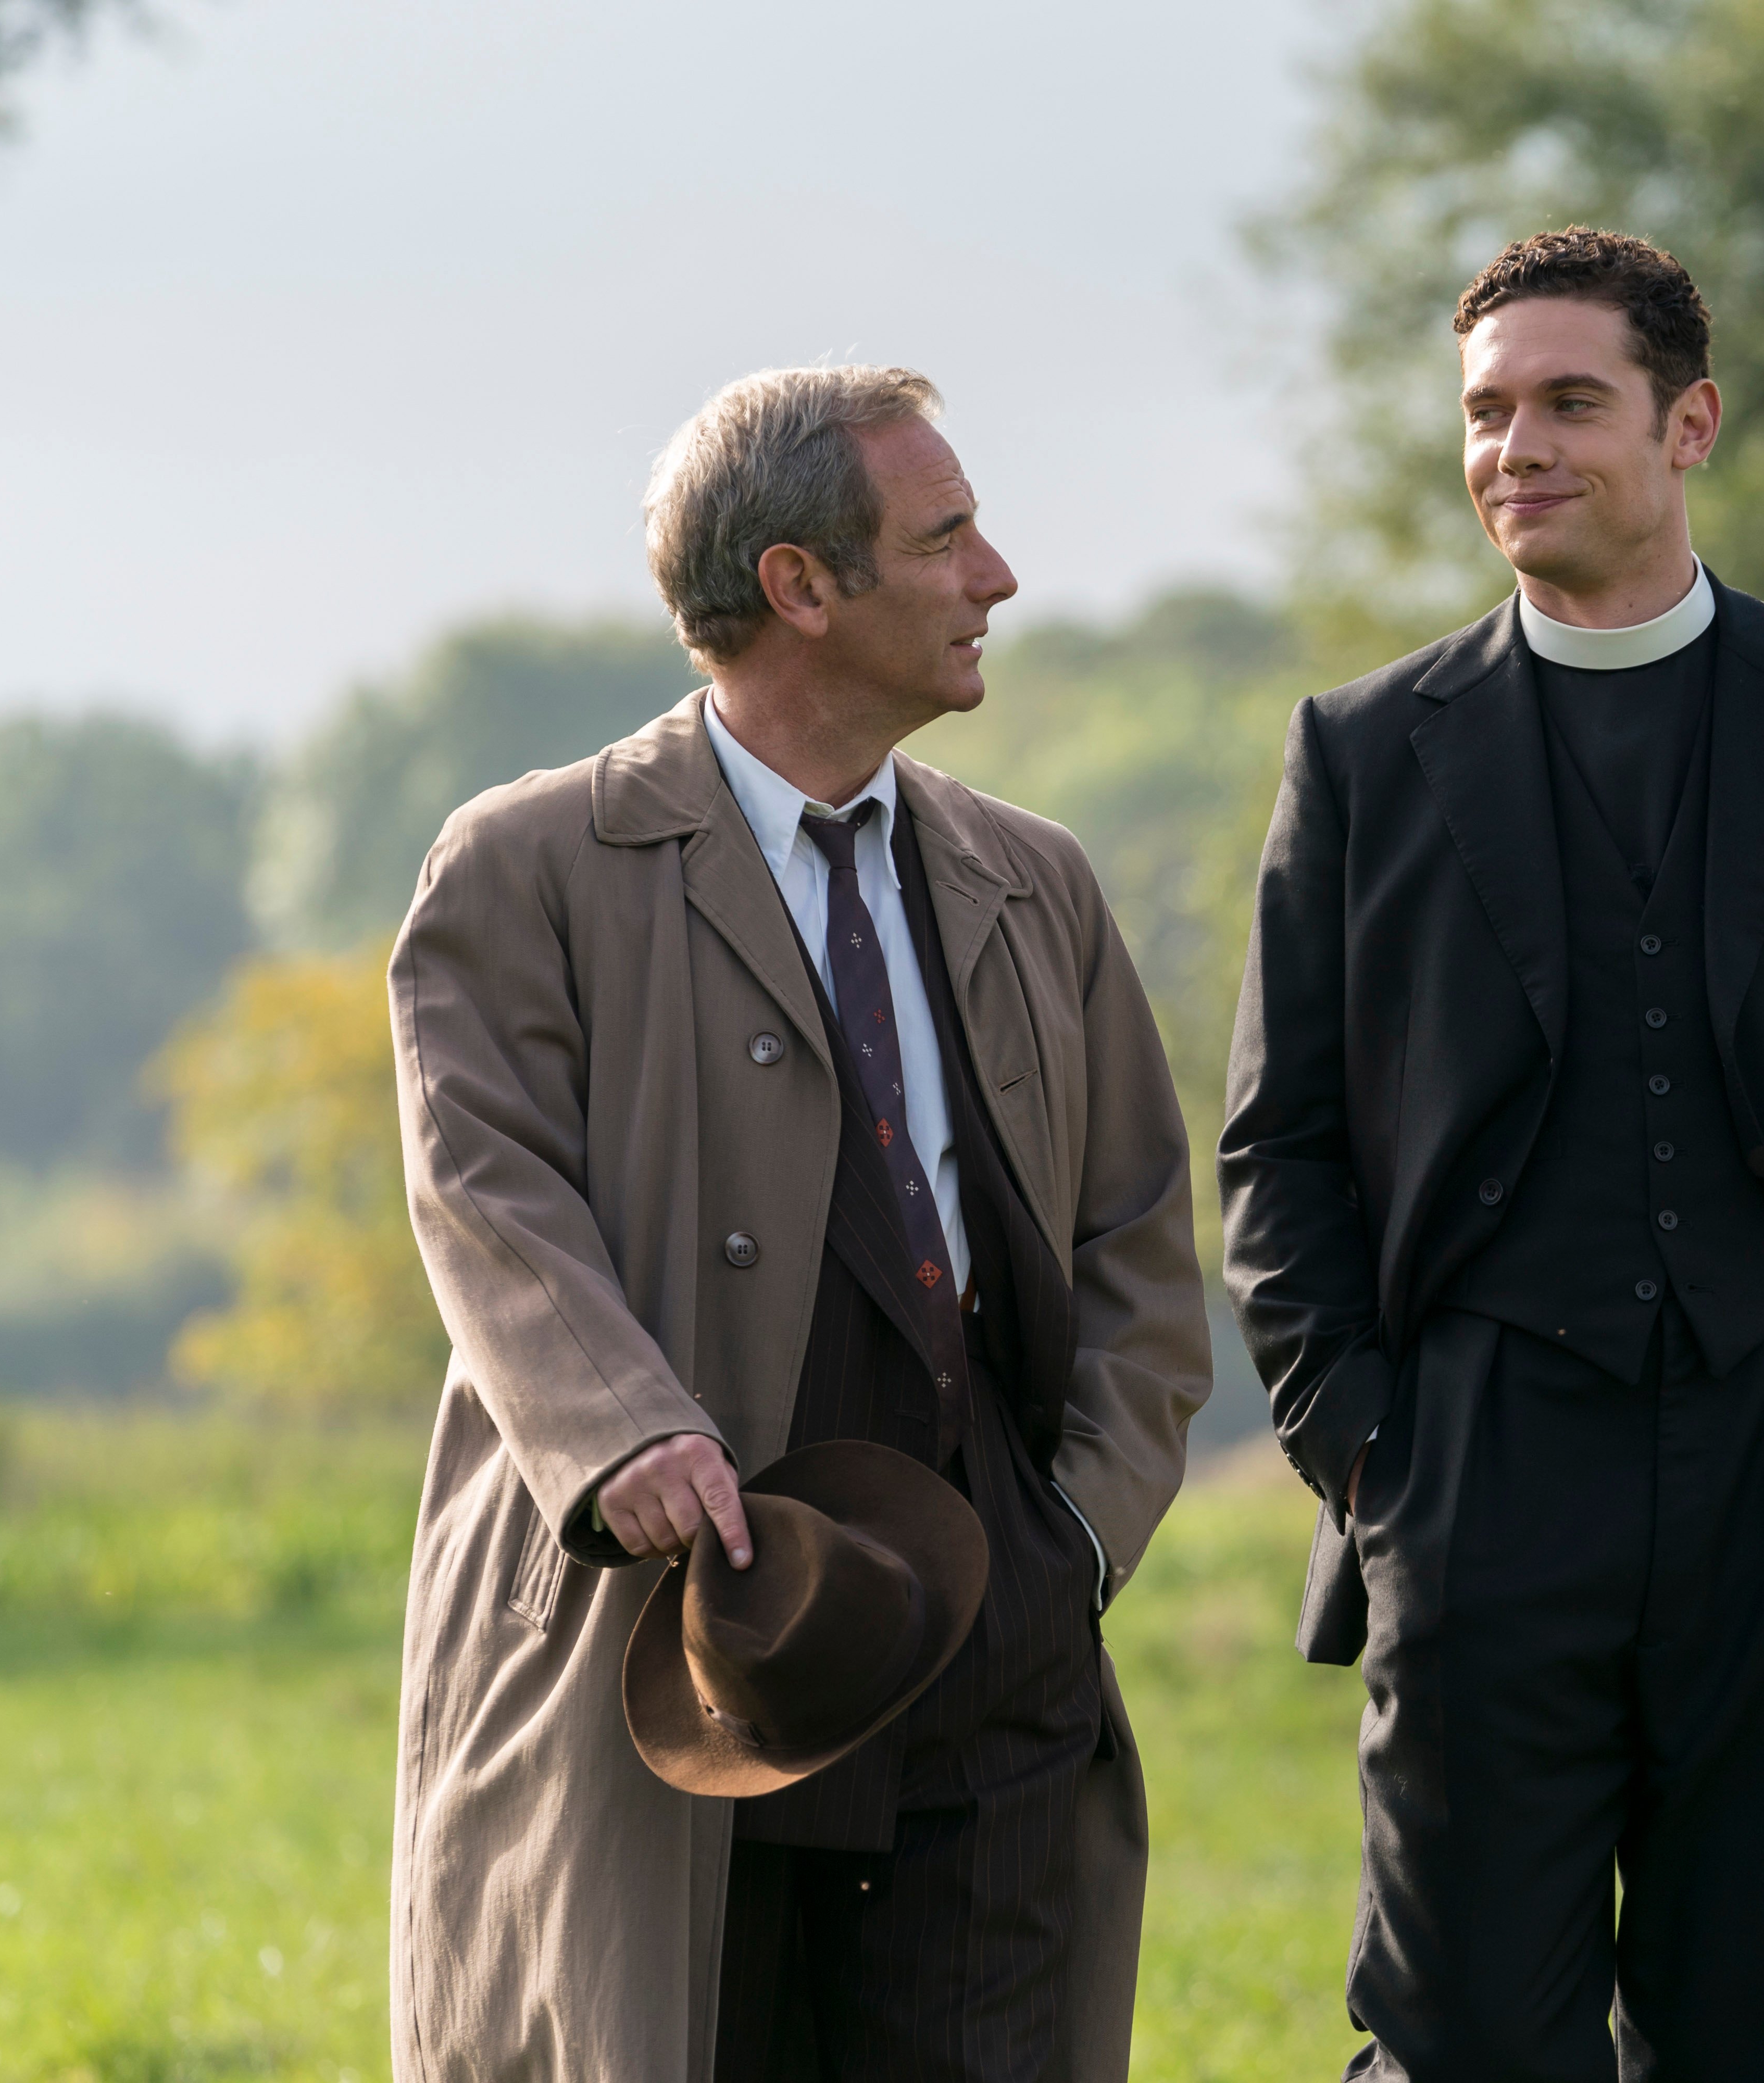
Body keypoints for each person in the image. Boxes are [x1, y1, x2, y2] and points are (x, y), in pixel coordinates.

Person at [1220, 227, 1764, 2080]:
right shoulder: (1365, 752)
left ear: (1690, 422)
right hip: (1475, 1478)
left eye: (1567, 403)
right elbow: (1279, 1147)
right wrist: (1373, 1450)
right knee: (1456, 2045)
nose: (1513, 447)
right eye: (1485, 412)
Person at [386, 363, 1210, 2082]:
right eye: (950, 534)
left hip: (1000, 1648)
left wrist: (1081, 1535)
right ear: (801, 587)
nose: (997, 577)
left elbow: (1137, 1232)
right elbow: (486, 1192)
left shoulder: (1035, 879)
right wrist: (621, 1436)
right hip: (681, 1642)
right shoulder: (530, 865)